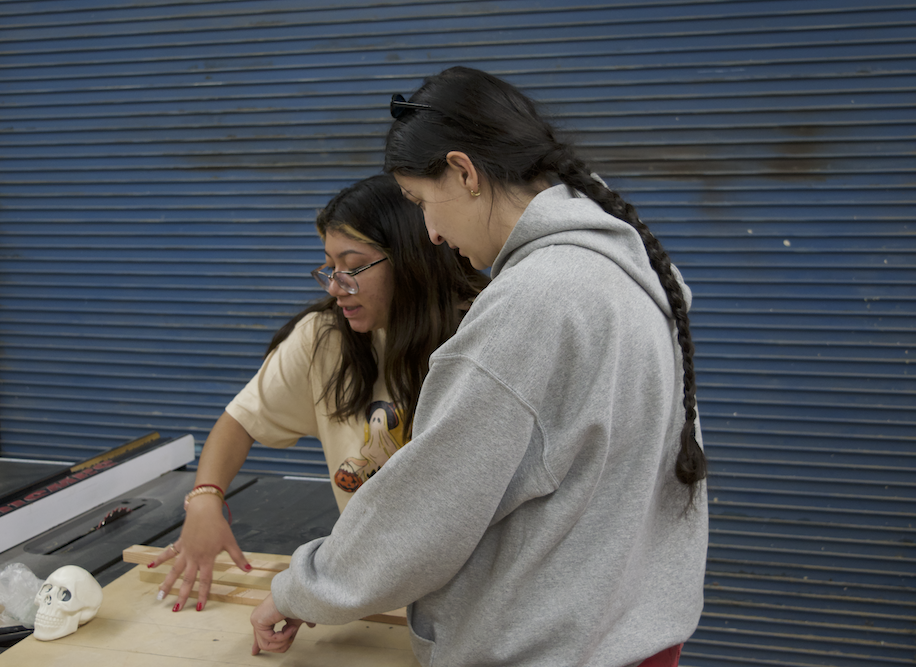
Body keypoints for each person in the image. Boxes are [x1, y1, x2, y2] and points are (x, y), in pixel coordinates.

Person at [249, 66, 709, 666]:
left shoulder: (534, 303)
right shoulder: (626, 273)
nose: (431, 234)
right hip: (631, 638)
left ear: (464, 172)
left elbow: (428, 512)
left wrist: (300, 588)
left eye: (420, 203)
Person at [150, 173, 488, 613]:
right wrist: (205, 499)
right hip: (373, 590)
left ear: (410, 258)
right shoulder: (325, 337)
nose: (335, 287)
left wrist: (313, 591)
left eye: (352, 267)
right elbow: (240, 420)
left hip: (470, 601)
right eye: (329, 267)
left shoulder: (481, 335)